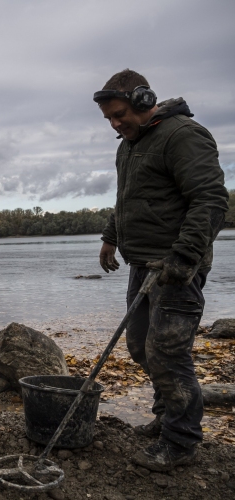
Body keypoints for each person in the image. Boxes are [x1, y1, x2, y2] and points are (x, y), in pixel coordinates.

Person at [95, 69, 229, 471]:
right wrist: (110, 237)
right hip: (142, 264)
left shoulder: (183, 135)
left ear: (142, 99)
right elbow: (127, 199)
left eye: (120, 115)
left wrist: (184, 256)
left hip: (176, 269)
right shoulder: (130, 145)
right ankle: (165, 414)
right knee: (140, 347)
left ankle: (181, 442)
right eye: (110, 120)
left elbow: (210, 200)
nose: (116, 125)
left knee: (168, 355)